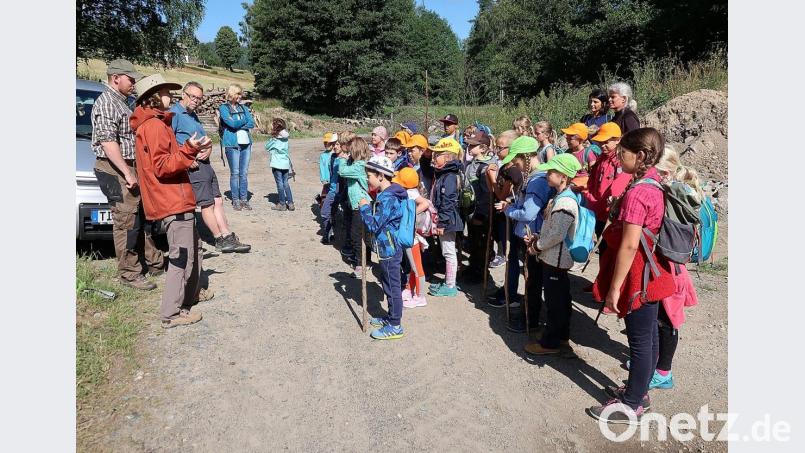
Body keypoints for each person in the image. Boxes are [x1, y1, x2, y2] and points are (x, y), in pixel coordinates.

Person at [588, 127, 677, 424]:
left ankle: (631, 404)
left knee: (639, 341)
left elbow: (628, 244)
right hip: (653, 269)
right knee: (648, 336)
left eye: (622, 153)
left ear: (640, 156)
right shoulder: (654, 182)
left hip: (638, 273)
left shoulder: (639, 191)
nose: (617, 158)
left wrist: (614, 289)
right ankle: (640, 391)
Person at [129, 74, 212, 328]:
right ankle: (171, 313)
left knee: (192, 248)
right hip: (171, 200)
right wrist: (189, 150)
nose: (171, 96)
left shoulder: (158, 123)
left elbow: (168, 158)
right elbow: (163, 167)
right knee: (181, 256)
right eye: (166, 91)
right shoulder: (153, 126)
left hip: (177, 198)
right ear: (153, 95)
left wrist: (189, 149)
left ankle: (190, 295)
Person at [91, 59, 164, 290]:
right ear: (116, 78)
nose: (134, 83)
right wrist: (127, 172)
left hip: (131, 166)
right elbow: (108, 142)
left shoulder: (123, 101)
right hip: (116, 168)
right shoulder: (106, 103)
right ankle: (129, 273)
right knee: (126, 221)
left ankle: (154, 262)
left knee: (140, 217)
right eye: (130, 79)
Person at [170, 81, 250, 255]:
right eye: (193, 97)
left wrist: (209, 148)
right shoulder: (175, 114)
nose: (196, 101)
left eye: (199, 98)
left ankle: (227, 235)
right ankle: (219, 238)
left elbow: (204, 137)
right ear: (184, 94)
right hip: (194, 166)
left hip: (205, 164)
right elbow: (169, 142)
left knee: (217, 200)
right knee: (206, 204)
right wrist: (184, 160)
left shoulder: (193, 115)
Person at [492, 136, 555, 335]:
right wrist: (513, 203)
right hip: (530, 232)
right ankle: (532, 314)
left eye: (517, 160)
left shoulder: (537, 180)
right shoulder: (535, 175)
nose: (515, 164)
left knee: (533, 279)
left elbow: (529, 213)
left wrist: (510, 211)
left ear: (526, 157)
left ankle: (532, 319)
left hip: (532, 234)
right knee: (532, 277)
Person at [523, 154, 583, 354]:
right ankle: (560, 336)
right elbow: (554, 229)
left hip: (556, 259)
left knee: (555, 302)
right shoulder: (561, 197)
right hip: (554, 256)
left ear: (564, 177)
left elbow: (557, 234)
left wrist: (537, 246)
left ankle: (551, 342)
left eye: (552, 172)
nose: (547, 175)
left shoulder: (565, 203)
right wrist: (539, 237)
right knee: (560, 299)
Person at [360, 156, 408, 340]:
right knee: (388, 284)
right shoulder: (385, 195)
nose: (367, 179)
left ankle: (395, 325)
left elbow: (374, 225)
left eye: (369, 175)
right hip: (386, 248)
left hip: (389, 249)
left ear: (380, 176)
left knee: (392, 287)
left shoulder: (387, 198)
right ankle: (390, 317)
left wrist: (364, 209)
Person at [582, 122, 631, 248]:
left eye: (606, 142)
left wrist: (613, 197)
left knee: (609, 251)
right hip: (597, 211)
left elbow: (620, 184)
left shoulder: (621, 160)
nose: (602, 145)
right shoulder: (602, 158)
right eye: (600, 142)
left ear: (618, 140)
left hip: (610, 215)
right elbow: (592, 181)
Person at [427, 138, 464, 297]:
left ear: (448, 157)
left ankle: (450, 285)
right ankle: (449, 281)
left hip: (448, 220)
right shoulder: (444, 173)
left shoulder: (449, 176)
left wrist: (441, 222)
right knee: (447, 251)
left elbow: (448, 201)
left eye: (437, 155)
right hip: (447, 219)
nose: (434, 158)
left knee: (449, 252)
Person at [462, 131, 498, 281]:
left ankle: (481, 273)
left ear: (483, 148)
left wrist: (481, 215)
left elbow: (487, 195)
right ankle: (473, 267)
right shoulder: (472, 164)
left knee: (481, 244)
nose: (469, 147)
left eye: (473, 145)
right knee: (472, 241)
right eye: (469, 144)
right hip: (470, 211)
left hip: (480, 213)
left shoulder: (485, 167)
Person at [393, 168, 430, 309]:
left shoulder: (410, 192)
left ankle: (420, 296)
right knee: (412, 265)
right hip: (409, 234)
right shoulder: (409, 191)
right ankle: (409, 289)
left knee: (416, 267)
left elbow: (425, 203)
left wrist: (410, 214)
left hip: (411, 236)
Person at [338, 136, 373, 275]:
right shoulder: (359, 164)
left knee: (357, 234)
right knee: (362, 233)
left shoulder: (359, 166)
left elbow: (342, 171)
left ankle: (361, 263)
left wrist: (342, 159)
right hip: (356, 203)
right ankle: (364, 260)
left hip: (361, 203)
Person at [485, 130, 520, 269]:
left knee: (510, 250)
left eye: (500, 148)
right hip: (499, 210)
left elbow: (502, 196)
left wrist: (492, 177)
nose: (497, 151)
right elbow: (492, 190)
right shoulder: (504, 166)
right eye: (496, 147)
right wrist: (490, 176)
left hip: (507, 213)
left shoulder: (512, 170)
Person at [219, 84, 255, 211]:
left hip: (246, 144)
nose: (240, 96)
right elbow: (231, 124)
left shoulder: (243, 107)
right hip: (232, 144)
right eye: (238, 94)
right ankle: (236, 200)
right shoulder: (223, 108)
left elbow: (252, 123)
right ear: (232, 94)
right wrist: (243, 121)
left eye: (241, 94)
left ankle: (244, 199)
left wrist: (240, 123)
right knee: (235, 173)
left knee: (243, 173)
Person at [266, 118, 294, 211]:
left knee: (280, 184)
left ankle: (282, 203)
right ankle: (290, 203)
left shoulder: (275, 140)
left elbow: (267, 147)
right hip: (285, 164)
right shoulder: (286, 138)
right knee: (286, 183)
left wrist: (272, 139)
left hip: (277, 164)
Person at [560, 122, 598, 191]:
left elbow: (594, 174)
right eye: (567, 138)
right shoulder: (568, 153)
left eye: (570, 139)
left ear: (580, 139)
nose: (567, 141)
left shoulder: (587, 153)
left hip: (583, 187)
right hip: (569, 184)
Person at [320, 132, 342, 244]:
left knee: (334, 212)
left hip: (341, 190)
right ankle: (328, 233)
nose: (334, 146)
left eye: (337, 144)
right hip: (332, 188)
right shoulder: (332, 157)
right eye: (333, 144)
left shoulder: (344, 159)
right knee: (325, 211)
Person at [318, 132, 338, 206]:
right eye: (325, 143)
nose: (326, 145)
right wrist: (323, 179)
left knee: (335, 196)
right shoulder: (323, 155)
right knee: (325, 196)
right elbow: (321, 168)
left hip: (335, 180)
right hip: (327, 180)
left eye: (328, 143)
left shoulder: (336, 154)